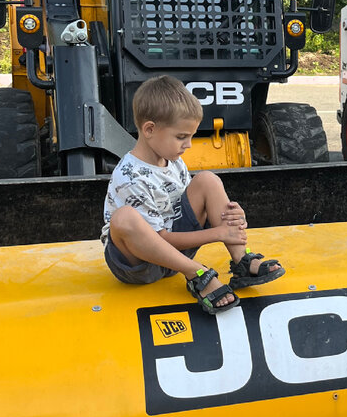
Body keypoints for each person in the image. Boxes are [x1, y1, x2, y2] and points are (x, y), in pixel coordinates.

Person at [101, 75, 284, 314]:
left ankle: (242, 259)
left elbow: (187, 206)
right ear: (149, 129)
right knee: (124, 218)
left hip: (174, 250)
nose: (189, 144)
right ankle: (197, 273)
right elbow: (161, 239)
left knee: (207, 179)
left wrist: (231, 218)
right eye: (181, 137)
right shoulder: (131, 177)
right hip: (139, 263)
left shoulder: (173, 162)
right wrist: (218, 232)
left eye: (191, 136)